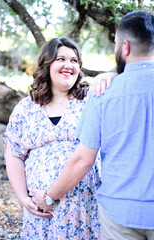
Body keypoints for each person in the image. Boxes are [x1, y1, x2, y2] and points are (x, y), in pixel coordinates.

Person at [31, 11, 154, 240]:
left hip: (120, 214)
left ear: (124, 47)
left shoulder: (103, 94)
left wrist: (48, 198)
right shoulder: (102, 88)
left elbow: (83, 160)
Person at [4, 37, 116, 239]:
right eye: (61, 59)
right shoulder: (26, 108)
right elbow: (13, 155)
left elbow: (130, 80)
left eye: (74, 61)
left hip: (85, 208)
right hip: (41, 212)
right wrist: (24, 198)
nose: (68, 65)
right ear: (47, 64)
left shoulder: (92, 99)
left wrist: (110, 74)